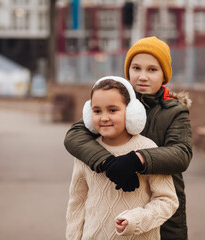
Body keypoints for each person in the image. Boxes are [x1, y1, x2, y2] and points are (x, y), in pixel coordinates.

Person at [64, 36, 193, 240]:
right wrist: (107, 162)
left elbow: (181, 154)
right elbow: (75, 135)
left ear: (164, 75)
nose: (142, 76)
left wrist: (137, 159)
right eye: (136, 68)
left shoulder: (174, 112)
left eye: (152, 69)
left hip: (162, 209)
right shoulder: (114, 102)